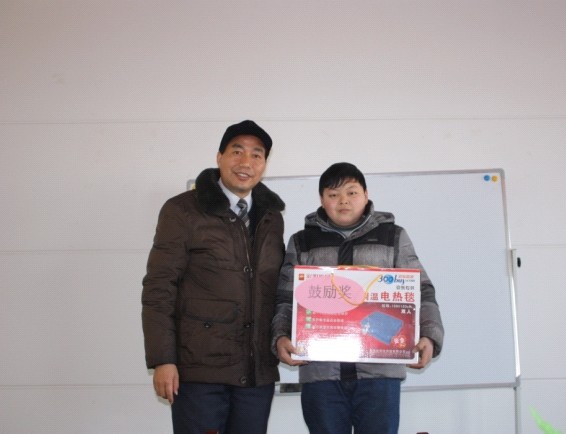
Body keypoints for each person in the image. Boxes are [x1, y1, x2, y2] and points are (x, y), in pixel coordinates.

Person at [272, 162, 444, 434]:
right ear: (322, 200)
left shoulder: (393, 236)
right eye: (333, 194)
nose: (343, 201)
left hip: (380, 374)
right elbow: (285, 297)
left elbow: (422, 290)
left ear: (366, 195)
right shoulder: (302, 241)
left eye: (351, 192)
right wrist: (280, 337)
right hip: (321, 373)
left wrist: (430, 336)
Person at [141, 120, 286, 434]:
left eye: (257, 155)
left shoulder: (272, 218)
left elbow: (278, 290)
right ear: (220, 157)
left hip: (256, 375)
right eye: (237, 151)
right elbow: (159, 287)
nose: (246, 162)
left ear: (264, 164)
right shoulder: (182, 211)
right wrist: (163, 360)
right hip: (199, 373)